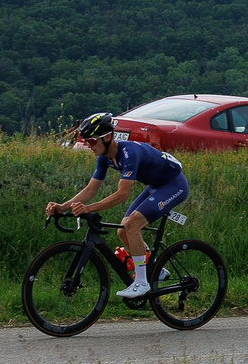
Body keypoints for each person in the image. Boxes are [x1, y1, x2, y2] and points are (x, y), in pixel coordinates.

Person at [46, 112, 187, 299]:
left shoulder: (130, 154)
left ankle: (142, 283)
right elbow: (91, 189)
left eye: (92, 141)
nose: (88, 146)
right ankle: (155, 269)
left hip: (174, 185)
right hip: (155, 186)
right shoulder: (104, 158)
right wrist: (62, 207)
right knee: (123, 230)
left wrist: (89, 208)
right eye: (86, 141)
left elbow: (122, 195)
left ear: (107, 137)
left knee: (132, 224)